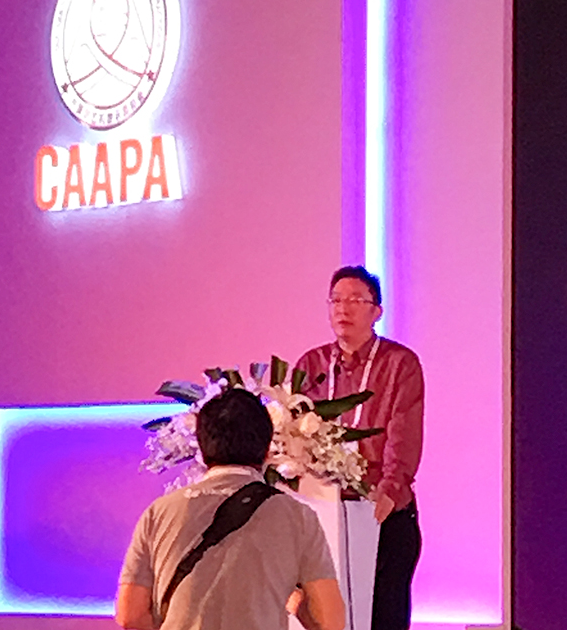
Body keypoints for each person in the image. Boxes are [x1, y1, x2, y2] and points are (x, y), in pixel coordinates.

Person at [116, 387, 347, 630]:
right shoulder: (297, 516)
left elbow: (130, 615)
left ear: (202, 449)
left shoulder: (159, 512)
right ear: (267, 449)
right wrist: (291, 597)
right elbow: (330, 622)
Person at [295, 265, 424, 630]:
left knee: (383, 617)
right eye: (336, 300)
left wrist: (389, 489)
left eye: (355, 300)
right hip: (325, 513)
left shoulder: (399, 364)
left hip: (381, 513)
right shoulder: (312, 365)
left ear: (376, 311)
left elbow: (403, 434)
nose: (343, 309)